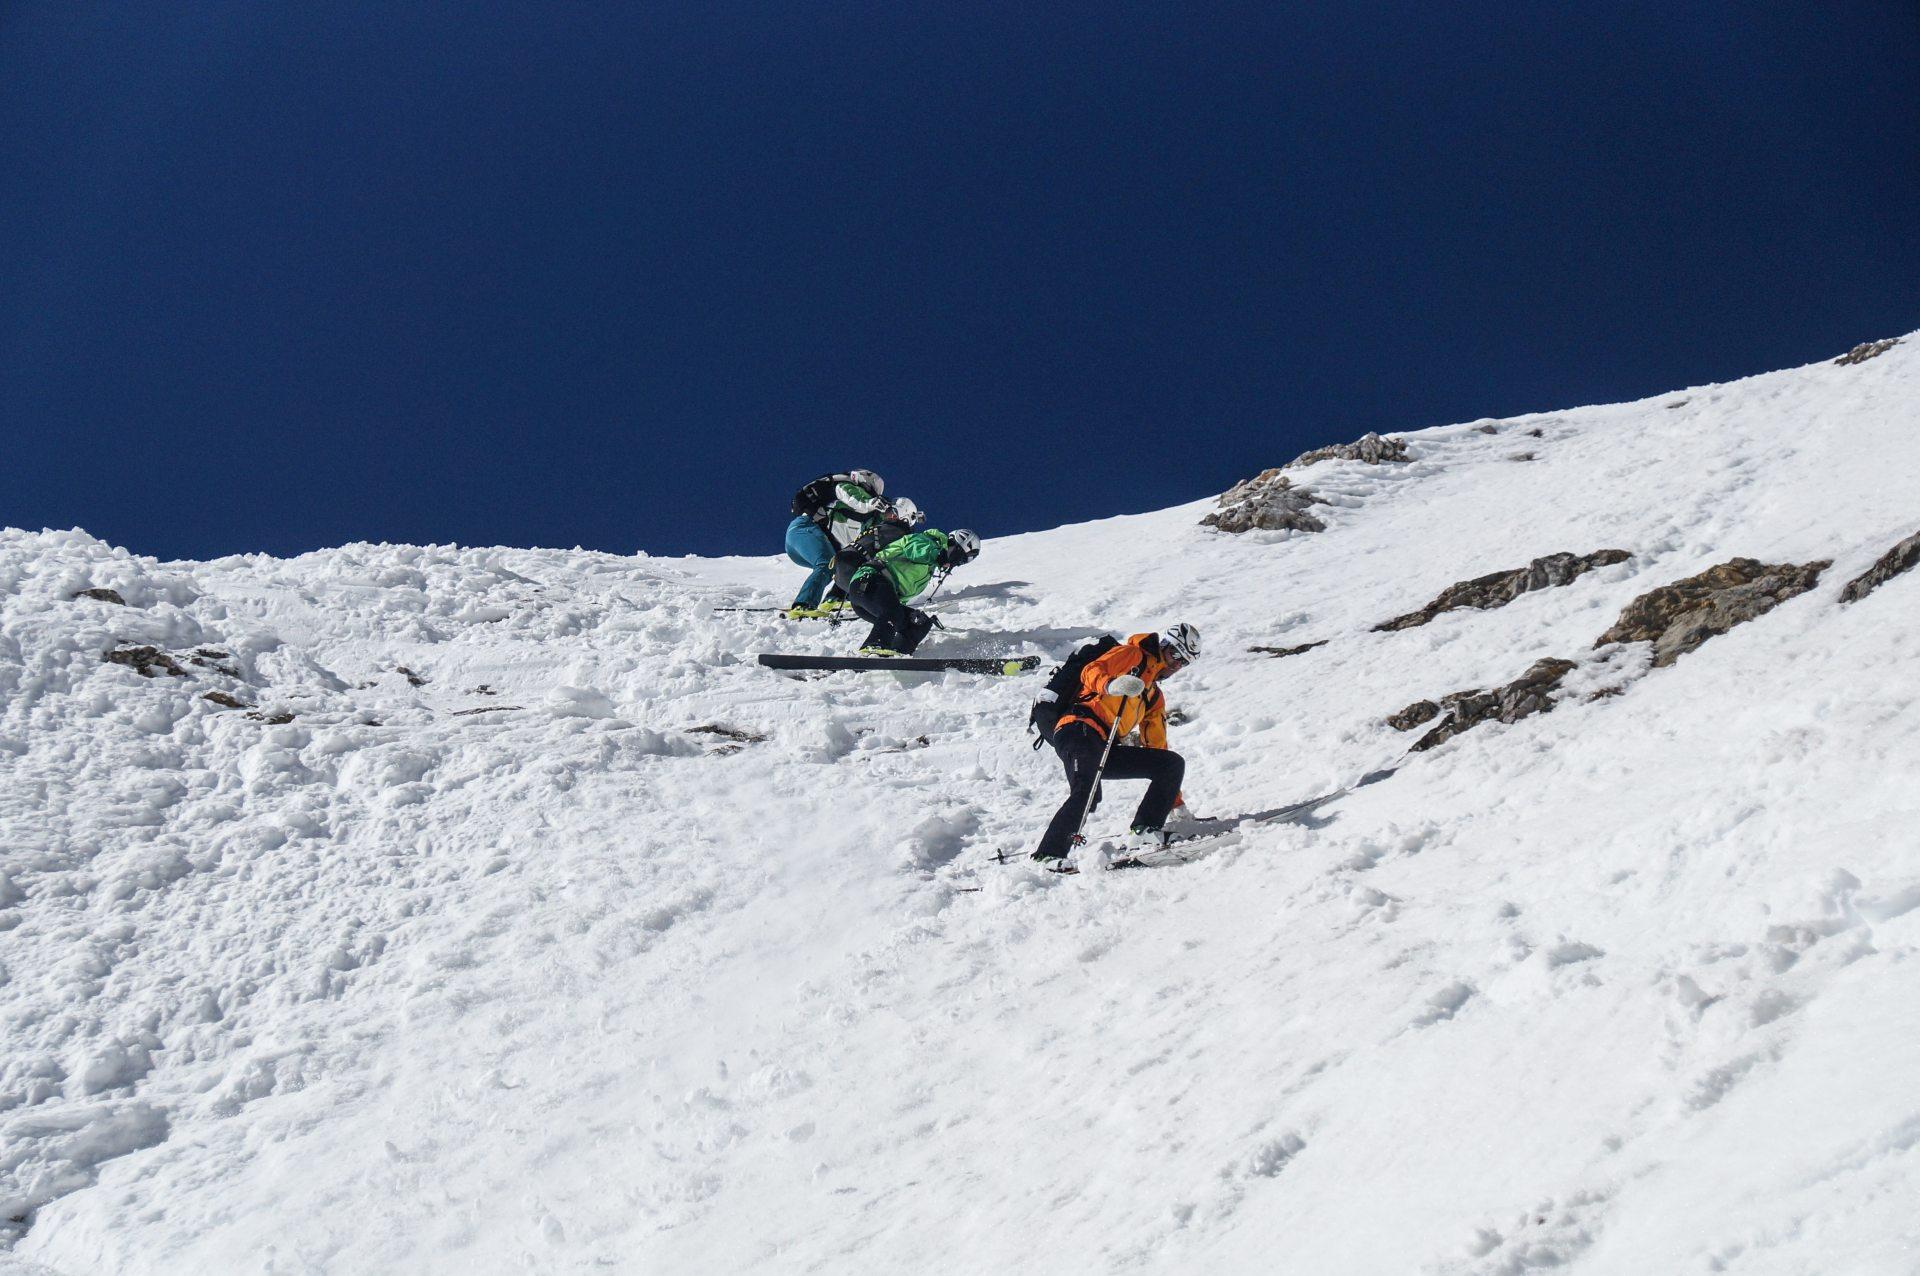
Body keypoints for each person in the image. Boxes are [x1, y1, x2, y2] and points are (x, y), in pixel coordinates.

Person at [1031, 624, 1200, 862]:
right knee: (1087, 791)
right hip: (1078, 728)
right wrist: (1111, 685)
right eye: (1175, 654)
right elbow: (1091, 671)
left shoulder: (1153, 696)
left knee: (1170, 764)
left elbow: (1156, 745)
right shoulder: (1133, 654)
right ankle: (1048, 855)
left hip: (1104, 745)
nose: (1176, 664)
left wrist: (1175, 801)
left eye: (1184, 662)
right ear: (1164, 645)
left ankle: (1145, 830)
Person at [846, 527, 980, 656]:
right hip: (868, 582)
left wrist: (903, 613)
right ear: (954, 545)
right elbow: (915, 550)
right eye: (958, 557)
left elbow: (895, 598)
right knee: (894, 612)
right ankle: (874, 646)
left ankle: (896, 655)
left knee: (919, 625)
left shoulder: (928, 570)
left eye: (961, 562)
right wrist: (938, 555)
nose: (956, 563)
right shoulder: (925, 540)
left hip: (875, 600)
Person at [786, 469, 888, 618]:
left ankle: (834, 599)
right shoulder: (847, 486)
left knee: (841, 565)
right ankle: (803, 606)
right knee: (825, 564)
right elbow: (849, 495)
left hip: (806, 535)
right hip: (805, 527)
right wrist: (870, 503)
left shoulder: (845, 509)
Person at [830, 496, 923, 600]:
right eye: (888, 513)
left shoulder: (880, 528)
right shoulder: (899, 534)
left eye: (892, 513)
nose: (888, 516)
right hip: (855, 567)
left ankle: (835, 598)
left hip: (841, 565)